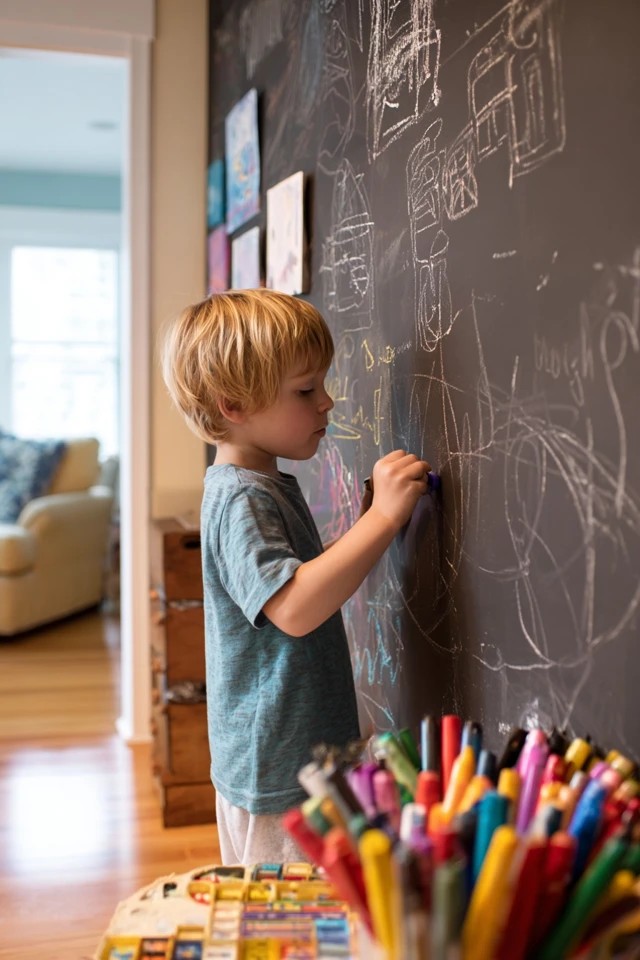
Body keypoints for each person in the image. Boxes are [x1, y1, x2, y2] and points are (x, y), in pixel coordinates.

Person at [161, 289, 430, 864]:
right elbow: (294, 607)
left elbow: (296, 583)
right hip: (279, 776)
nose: (327, 402)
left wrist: (363, 530)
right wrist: (382, 519)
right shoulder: (242, 498)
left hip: (285, 760)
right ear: (233, 404)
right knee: (290, 933)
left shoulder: (259, 485)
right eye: (306, 391)